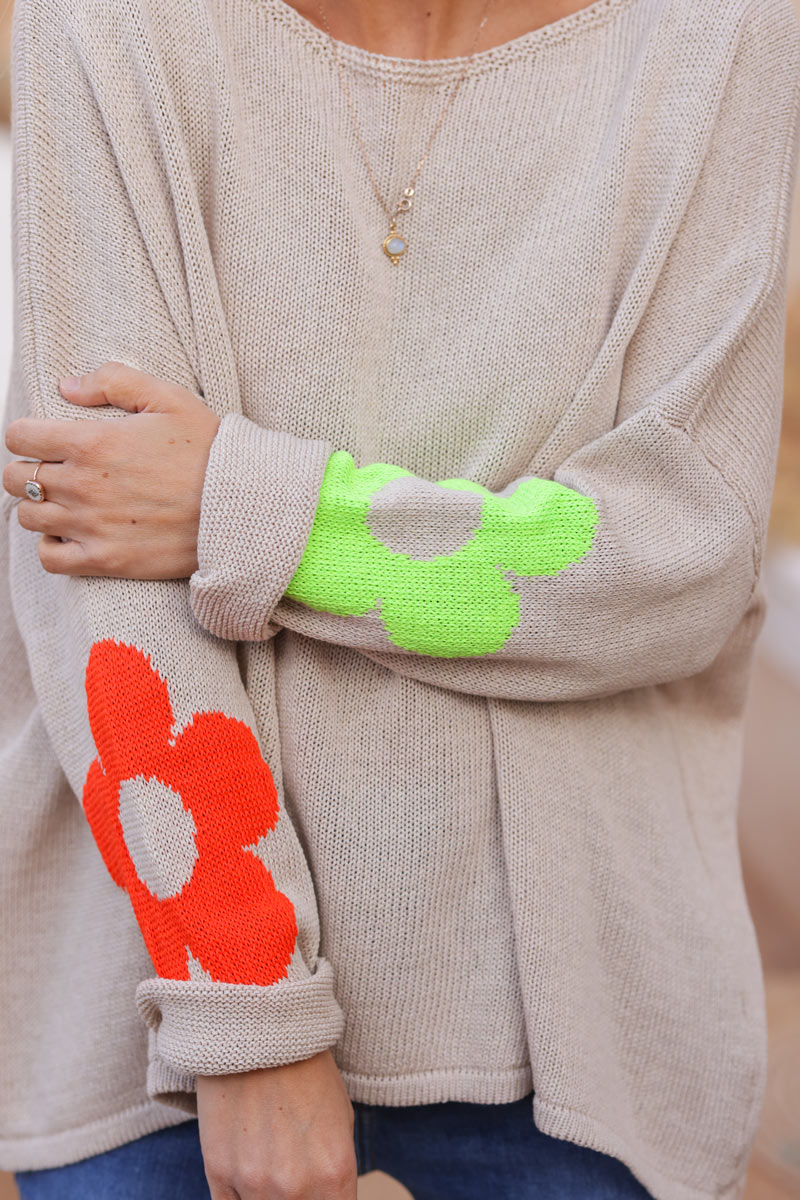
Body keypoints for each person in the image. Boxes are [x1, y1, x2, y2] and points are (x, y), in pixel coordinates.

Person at [1, 0, 799, 1196]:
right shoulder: (105, 24)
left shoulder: (726, 33)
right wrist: (248, 1021)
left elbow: (678, 563)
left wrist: (239, 504)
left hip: (582, 1064)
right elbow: (97, 558)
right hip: (168, 1041)